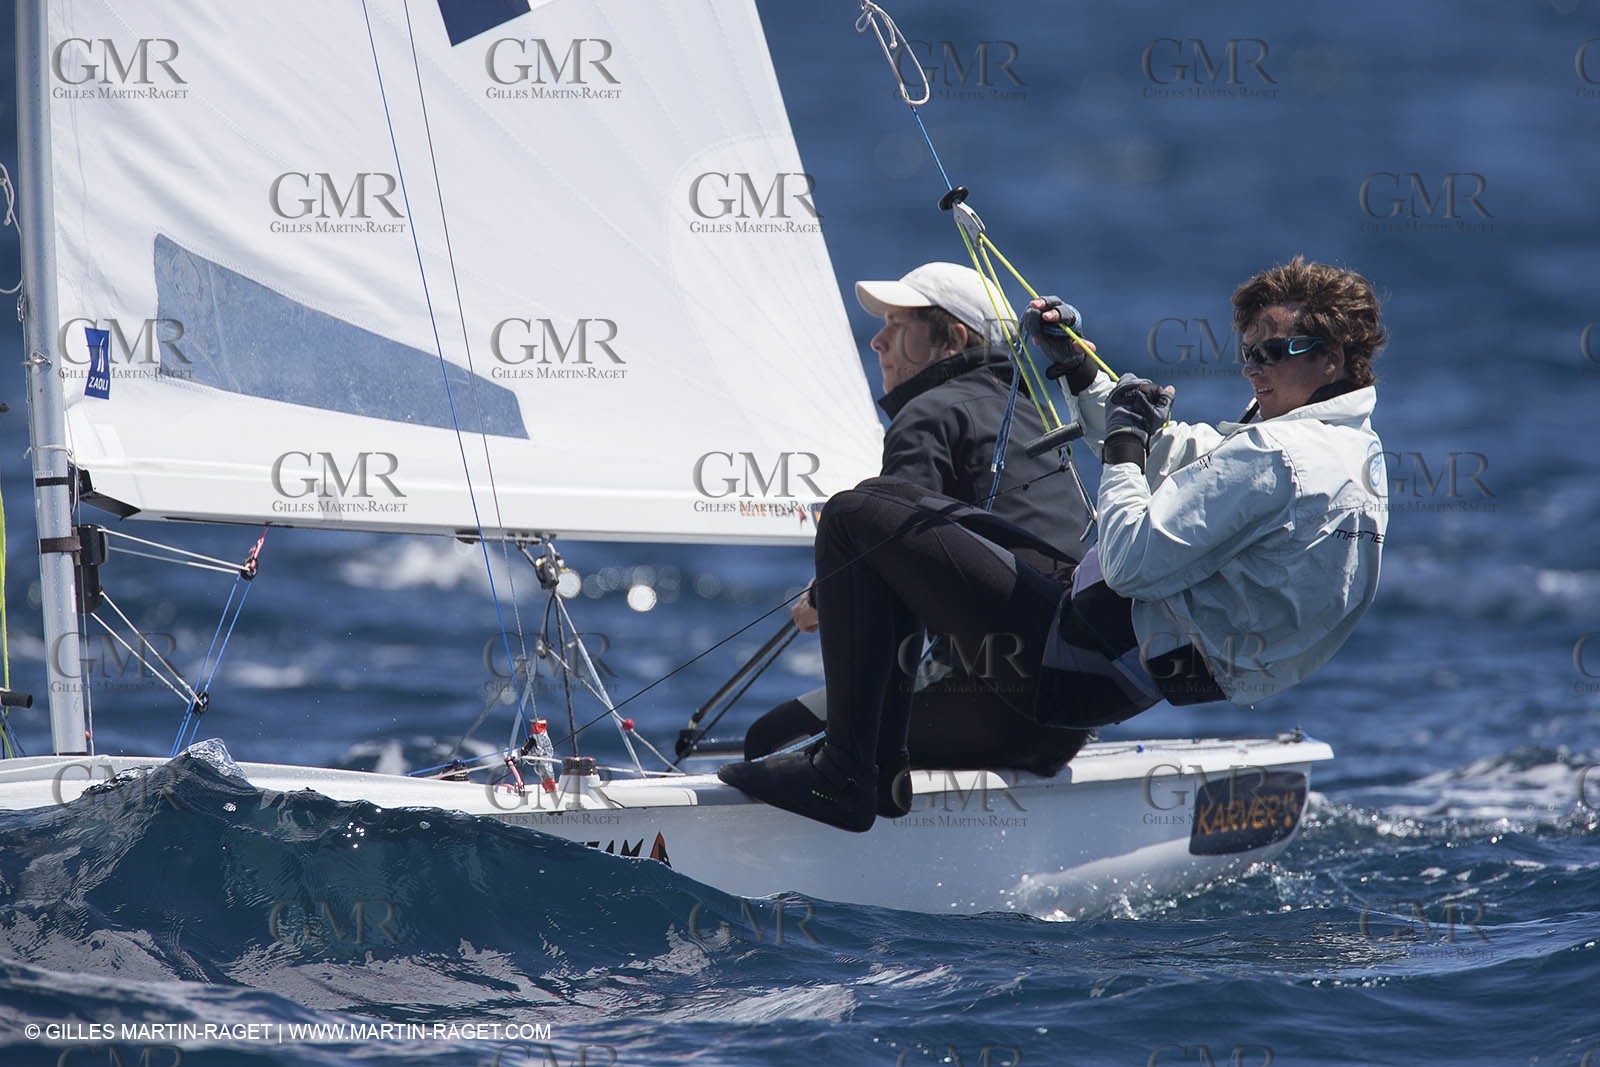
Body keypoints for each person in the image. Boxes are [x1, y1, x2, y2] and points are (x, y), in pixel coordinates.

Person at [719, 256, 1388, 832]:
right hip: (1107, 669)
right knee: (893, 517)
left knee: (854, 515)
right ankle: (876, 764)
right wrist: (1078, 371)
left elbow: (1129, 559)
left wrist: (1123, 450)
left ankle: (848, 775)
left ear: (1330, 357)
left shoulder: (1278, 456)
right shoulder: (1349, 453)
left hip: (1074, 664)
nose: (1252, 370)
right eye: (1247, 352)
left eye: (1272, 352)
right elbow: (1186, 451)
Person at [742, 262, 1094, 794]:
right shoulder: (1028, 413)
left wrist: (822, 600)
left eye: (898, 325)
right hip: (1065, 718)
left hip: (990, 711)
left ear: (952, 339)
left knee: (771, 737)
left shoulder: (929, 412)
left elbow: (885, 547)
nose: (877, 341)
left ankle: (852, 788)